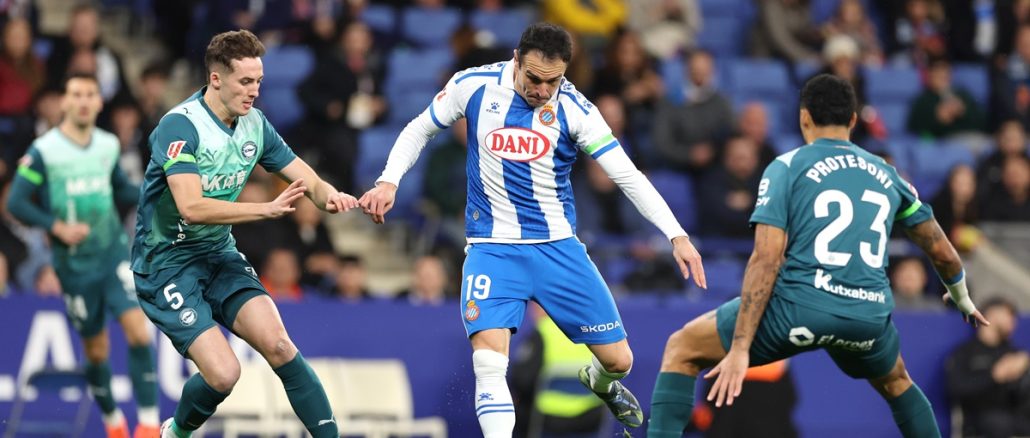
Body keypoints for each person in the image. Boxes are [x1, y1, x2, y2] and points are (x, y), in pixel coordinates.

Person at [358, 23, 707, 436]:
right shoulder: (473, 86)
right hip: (492, 248)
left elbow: (627, 175)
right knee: (489, 363)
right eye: (534, 79)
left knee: (619, 362)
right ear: (516, 59)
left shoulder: (576, 109)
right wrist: (389, 180)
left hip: (558, 249)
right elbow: (420, 128)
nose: (543, 90)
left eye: (553, 81)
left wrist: (676, 235)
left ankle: (599, 382)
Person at [647, 74, 990, 438]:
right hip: (867, 316)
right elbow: (943, 252)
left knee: (682, 347)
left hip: (800, 310)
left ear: (803, 117)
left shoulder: (787, 166)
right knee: (897, 382)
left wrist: (741, 347)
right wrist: (962, 299)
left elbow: (766, 259)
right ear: (854, 121)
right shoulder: (889, 175)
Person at [129, 30, 358, 438]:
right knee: (223, 374)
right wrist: (263, 208)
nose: (254, 92)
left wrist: (335, 197)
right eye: (245, 82)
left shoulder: (255, 125)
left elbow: (306, 178)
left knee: (280, 346)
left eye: (259, 82)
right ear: (216, 79)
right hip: (166, 265)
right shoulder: (180, 127)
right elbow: (192, 207)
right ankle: (175, 433)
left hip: (219, 255)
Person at [6, 73, 160, 438]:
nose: (84, 100)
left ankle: (150, 425)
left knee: (139, 333)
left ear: (99, 102)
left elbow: (120, 188)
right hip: (73, 266)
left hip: (112, 256)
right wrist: (55, 227)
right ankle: (113, 423)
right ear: (65, 102)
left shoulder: (108, 145)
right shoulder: (45, 150)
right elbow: (16, 202)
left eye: (90, 94)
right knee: (96, 350)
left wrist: (157, 190)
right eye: (76, 94)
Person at [946, 297, 1030, 438]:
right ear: (991, 314)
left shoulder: (1014, 353)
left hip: (1016, 418)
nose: (1013, 322)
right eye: (1008, 315)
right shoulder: (965, 353)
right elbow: (955, 390)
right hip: (979, 422)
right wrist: (994, 376)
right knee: (998, 423)